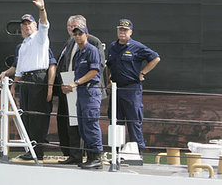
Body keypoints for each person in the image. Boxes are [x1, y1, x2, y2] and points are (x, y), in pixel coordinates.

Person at [0, 0, 51, 160]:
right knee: (25, 115)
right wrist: (13, 85)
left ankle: (38, 151)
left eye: (29, 23)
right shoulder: (22, 46)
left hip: (37, 78)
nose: (26, 27)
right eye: (24, 24)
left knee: (36, 116)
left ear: (34, 25)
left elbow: (45, 23)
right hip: (25, 80)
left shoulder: (40, 38)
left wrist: (42, 8)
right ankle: (30, 149)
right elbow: (19, 69)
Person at [55, 15, 106, 165]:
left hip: (89, 90)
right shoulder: (73, 46)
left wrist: (75, 83)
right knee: (80, 125)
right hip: (76, 90)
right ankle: (79, 155)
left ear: (86, 33)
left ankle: (95, 157)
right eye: (73, 30)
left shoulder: (92, 46)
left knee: (90, 124)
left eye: (79, 32)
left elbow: (97, 69)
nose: (76, 34)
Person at [106, 19, 161, 153]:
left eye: (125, 30)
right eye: (120, 30)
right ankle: (116, 151)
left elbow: (155, 58)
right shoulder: (113, 46)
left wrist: (143, 72)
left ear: (130, 32)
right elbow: (109, 65)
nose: (122, 32)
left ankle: (137, 151)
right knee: (115, 121)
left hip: (131, 89)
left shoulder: (137, 47)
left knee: (133, 120)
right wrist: (108, 81)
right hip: (116, 89)